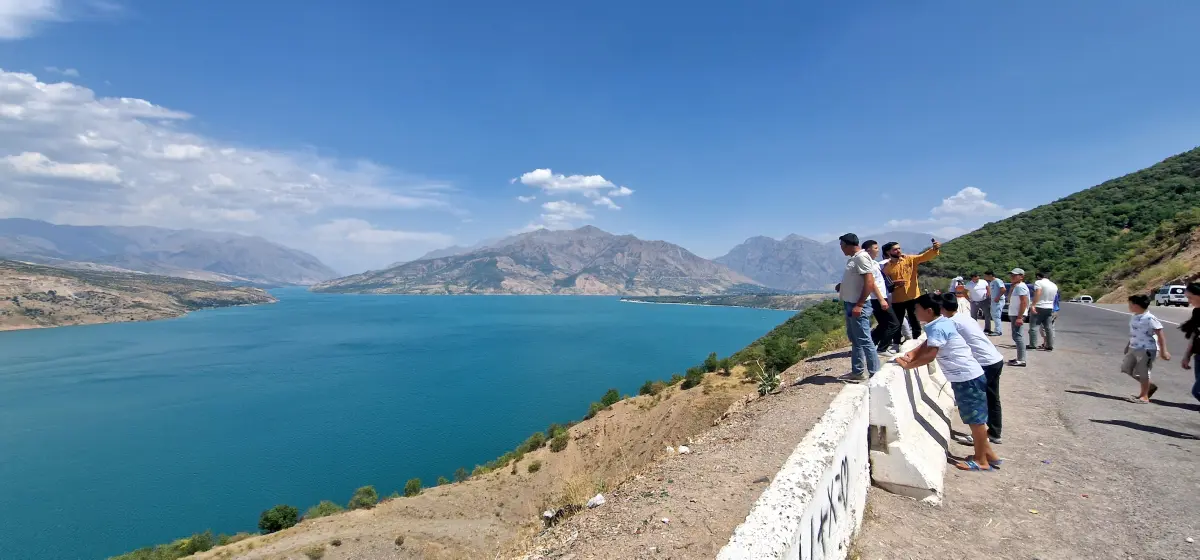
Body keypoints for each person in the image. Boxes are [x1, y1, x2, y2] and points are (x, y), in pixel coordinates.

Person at [896, 294, 999, 470]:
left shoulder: (937, 327)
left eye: (917, 309)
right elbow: (929, 343)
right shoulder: (940, 323)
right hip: (969, 376)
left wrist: (908, 365)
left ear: (928, 311)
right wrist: (912, 353)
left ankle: (981, 461)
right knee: (975, 419)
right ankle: (989, 454)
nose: (914, 312)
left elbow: (930, 355)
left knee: (976, 422)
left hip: (966, 377)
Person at [940, 293, 1006, 444]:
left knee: (978, 400)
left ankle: (981, 436)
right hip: (994, 358)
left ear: (942, 308)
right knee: (992, 397)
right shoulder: (964, 317)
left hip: (984, 362)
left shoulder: (951, 323)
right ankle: (994, 432)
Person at [837, 233, 880, 381]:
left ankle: (875, 374)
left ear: (848, 245)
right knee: (856, 340)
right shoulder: (854, 259)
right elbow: (857, 280)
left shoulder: (861, 257)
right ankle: (857, 372)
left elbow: (869, 281)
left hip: (857, 305)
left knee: (865, 340)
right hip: (850, 304)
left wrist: (860, 304)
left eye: (842, 246)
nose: (841, 249)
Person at [882, 238, 941, 345]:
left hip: (913, 296)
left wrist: (934, 249)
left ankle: (917, 342)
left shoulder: (910, 259)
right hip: (897, 298)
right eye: (895, 249)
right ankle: (896, 344)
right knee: (897, 323)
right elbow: (884, 282)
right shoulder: (887, 267)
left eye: (899, 248)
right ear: (888, 252)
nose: (898, 251)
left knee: (915, 320)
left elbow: (924, 257)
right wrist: (895, 282)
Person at [1123, 294, 1170, 403]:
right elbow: (1135, 333)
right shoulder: (1134, 316)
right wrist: (1128, 346)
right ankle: (1150, 386)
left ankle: (1144, 397)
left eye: (1130, 304)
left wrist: (1164, 351)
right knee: (1128, 368)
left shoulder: (1150, 318)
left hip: (1148, 349)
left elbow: (1160, 334)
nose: (1129, 306)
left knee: (1143, 372)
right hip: (1135, 347)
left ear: (1136, 305)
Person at [862, 240, 900, 355]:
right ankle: (882, 348)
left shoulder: (874, 263)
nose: (878, 250)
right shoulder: (868, 265)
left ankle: (870, 344)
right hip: (877, 298)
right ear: (869, 250)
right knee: (894, 323)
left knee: (883, 324)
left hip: (881, 297)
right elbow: (872, 283)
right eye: (876, 248)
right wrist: (882, 300)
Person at [1180, 282, 1200, 403]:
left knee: (1197, 391)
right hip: (1199, 357)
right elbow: (1194, 335)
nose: (1189, 301)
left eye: (1190, 297)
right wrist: (1187, 356)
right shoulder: (1197, 312)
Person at [1029, 272, 1058, 352]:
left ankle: (1033, 345)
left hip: (1039, 306)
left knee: (1034, 327)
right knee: (1048, 327)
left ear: (1038, 276)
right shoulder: (1054, 285)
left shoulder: (1038, 283)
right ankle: (1049, 345)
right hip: (1049, 307)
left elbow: (1038, 292)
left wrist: (1033, 305)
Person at [1007, 268, 1031, 367]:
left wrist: (1020, 317)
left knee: (1018, 336)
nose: (1012, 277)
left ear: (1021, 276)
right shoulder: (1016, 287)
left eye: (1015, 275)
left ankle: (1021, 359)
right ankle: (1019, 357)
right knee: (1016, 336)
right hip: (1014, 314)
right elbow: (1009, 299)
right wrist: (1012, 288)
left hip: (1018, 314)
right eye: (1011, 275)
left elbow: (1024, 302)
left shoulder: (1021, 287)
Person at [985, 271, 1006, 336]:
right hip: (993, 301)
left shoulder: (997, 281)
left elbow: (1003, 289)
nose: (985, 277)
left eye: (986, 275)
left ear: (990, 275)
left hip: (998, 300)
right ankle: (997, 329)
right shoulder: (991, 282)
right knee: (994, 315)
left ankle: (998, 331)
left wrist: (998, 297)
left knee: (997, 315)